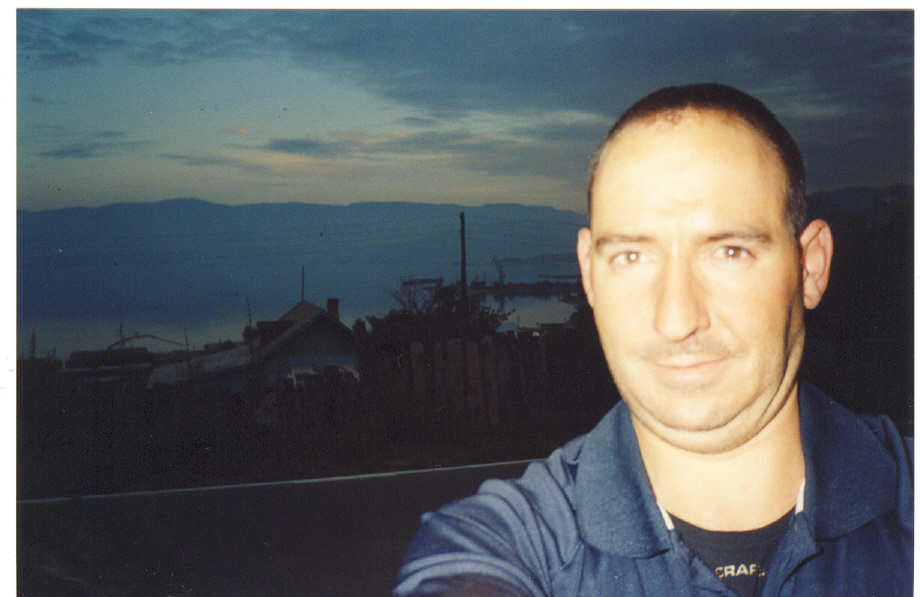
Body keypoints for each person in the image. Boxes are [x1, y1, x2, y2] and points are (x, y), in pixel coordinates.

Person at [392, 83, 912, 597]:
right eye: (632, 257)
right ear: (589, 274)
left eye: (730, 252)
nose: (677, 319)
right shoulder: (501, 541)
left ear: (810, 267)